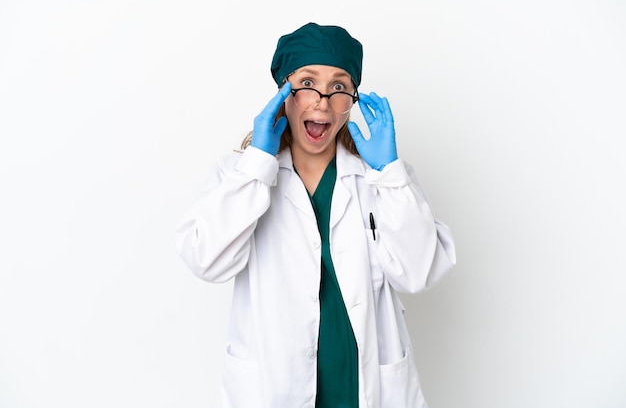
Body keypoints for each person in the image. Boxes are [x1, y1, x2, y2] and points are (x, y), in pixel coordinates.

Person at [175, 22, 456, 408]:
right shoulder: (237, 174)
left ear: (352, 100)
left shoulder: (384, 179)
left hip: (360, 386)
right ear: (283, 93)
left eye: (339, 86)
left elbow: (420, 271)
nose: (323, 101)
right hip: (273, 388)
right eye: (308, 82)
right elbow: (204, 258)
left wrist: (389, 174)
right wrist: (257, 165)